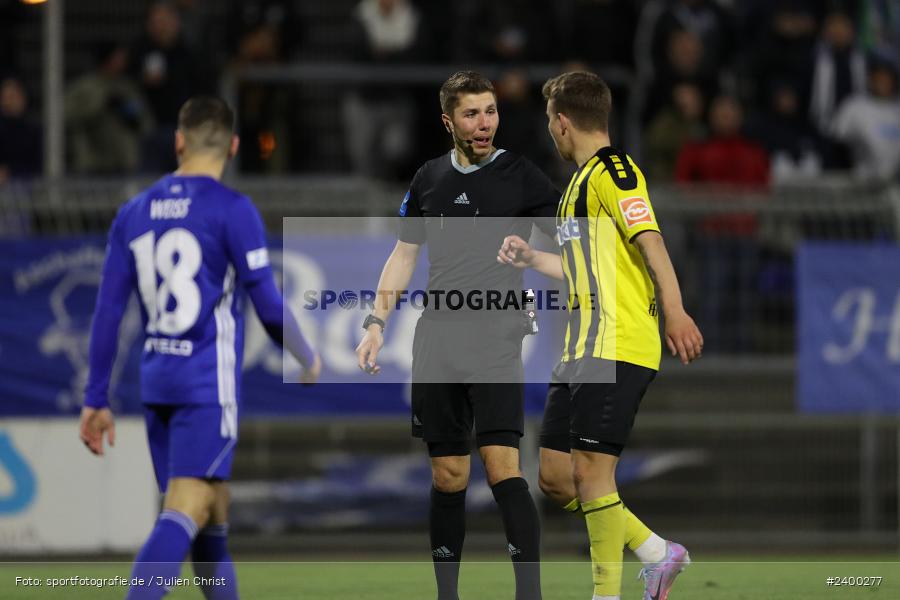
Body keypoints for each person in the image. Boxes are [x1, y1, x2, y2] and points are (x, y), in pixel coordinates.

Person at [79, 96, 320, 600]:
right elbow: (270, 307)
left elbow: (107, 313)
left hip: (158, 384)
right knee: (187, 505)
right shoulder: (233, 210)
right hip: (205, 385)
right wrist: (305, 354)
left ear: (178, 141)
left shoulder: (134, 212)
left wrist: (96, 398)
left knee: (213, 510)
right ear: (233, 146)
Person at [498, 71, 703, 600]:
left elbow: (651, 240)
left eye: (550, 123)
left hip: (617, 342)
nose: (551, 133)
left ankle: (606, 594)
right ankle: (658, 553)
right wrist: (533, 257)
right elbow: (581, 267)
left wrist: (675, 311)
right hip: (580, 350)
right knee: (555, 477)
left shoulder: (616, 171)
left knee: (591, 476)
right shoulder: (577, 187)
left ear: (563, 122)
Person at [355, 71, 559, 600]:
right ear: (449, 121)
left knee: (502, 468)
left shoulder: (524, 176)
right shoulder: (428, 179)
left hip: (494, 336)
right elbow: (403, 256)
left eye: (491, 111)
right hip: (437, 341)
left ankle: (528, 595)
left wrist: (535, 260)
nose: (484, 122)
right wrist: (376, 323)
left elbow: (577, 255)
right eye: (471, 114)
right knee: (448, 475)